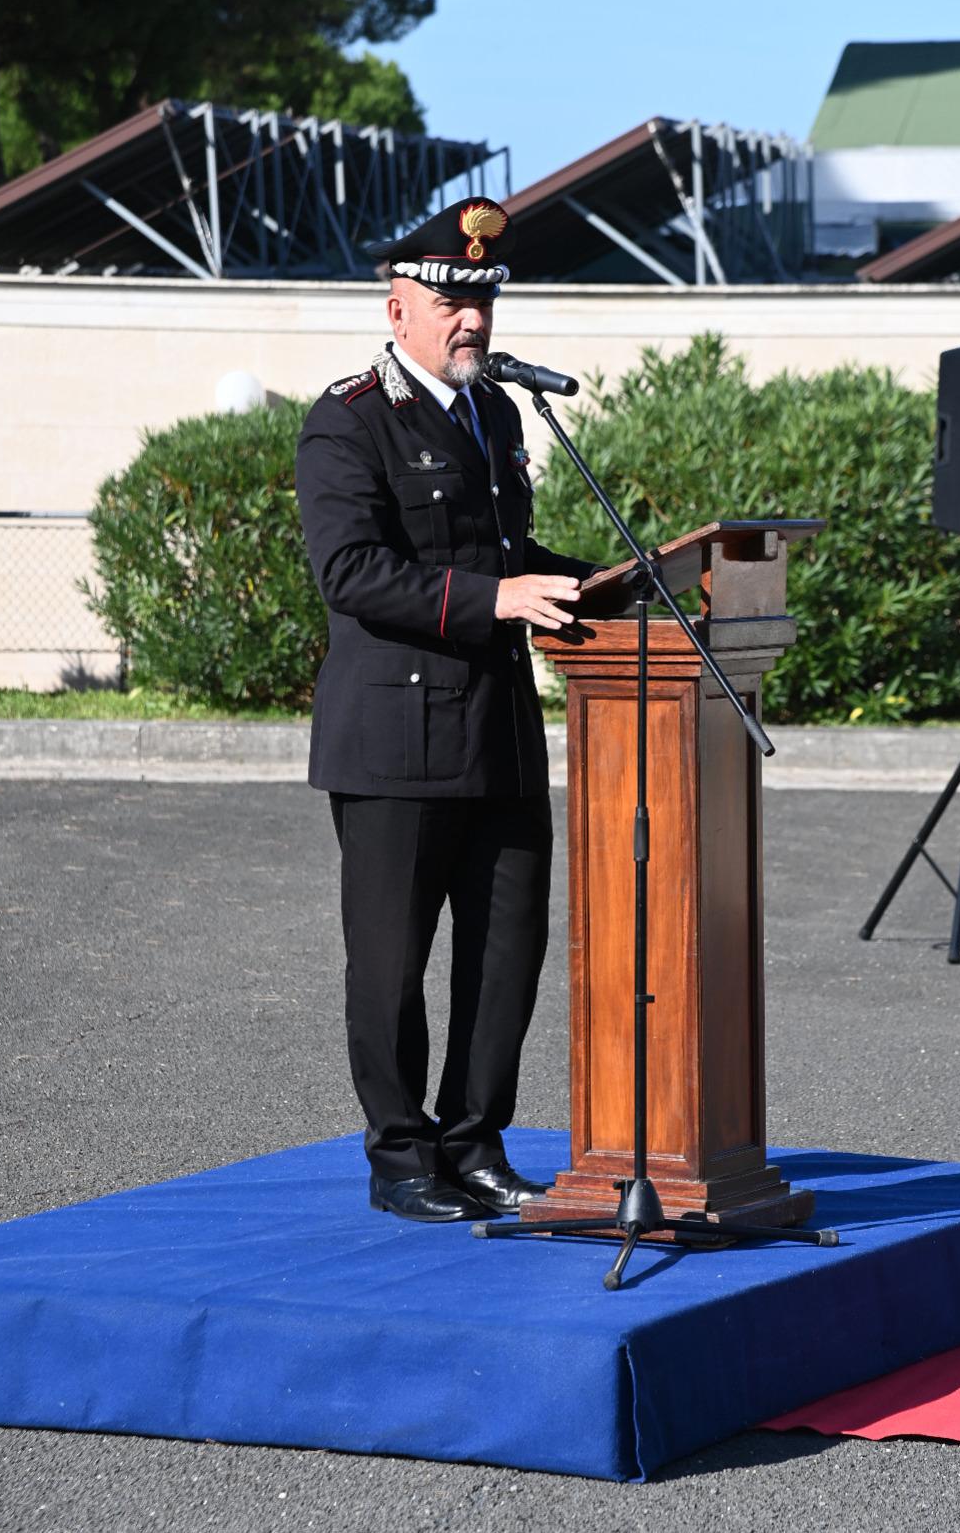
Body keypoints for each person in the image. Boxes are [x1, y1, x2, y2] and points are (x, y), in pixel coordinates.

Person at [295, 197, 599, 1222]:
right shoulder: (348, 418)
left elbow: (510, 559)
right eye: (450, 300)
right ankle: (400, 1159)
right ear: (398, 308)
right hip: (394, 738)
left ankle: (474, 1142)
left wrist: (627, 579)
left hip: (497, 728)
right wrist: (498, 600)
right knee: (391, 964)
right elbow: (353, 573)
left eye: (481, 302)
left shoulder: (499, 413)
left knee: (507, 950)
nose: (471, 319)